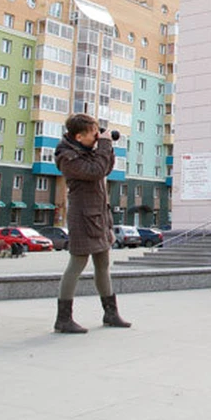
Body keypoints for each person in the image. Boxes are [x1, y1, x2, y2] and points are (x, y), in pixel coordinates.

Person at [53, 113, 131, 333]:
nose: (97, 136)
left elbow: (105, 167)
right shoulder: (67, 157)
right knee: (76, 265)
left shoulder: (87, 151)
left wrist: (105, 146)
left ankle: (111, 313)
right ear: (79, 136)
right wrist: (104, 144)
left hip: (99, 214)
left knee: (103, 265)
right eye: (93, 133)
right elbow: (96, 171)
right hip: (82, 217)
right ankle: (63, 319)